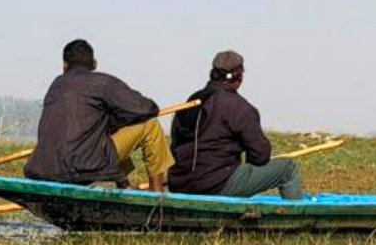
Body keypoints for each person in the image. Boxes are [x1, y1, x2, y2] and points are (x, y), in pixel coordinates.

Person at [25, 39, 171, 190]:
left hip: (41, 169)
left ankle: (125, 187)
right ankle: (157, 196)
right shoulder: (102, 82)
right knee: (150, 125)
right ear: (94, 64)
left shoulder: (56, 85)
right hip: (83, 168)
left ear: (64, 66)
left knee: (108, 127)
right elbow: (146, 109)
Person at [168, 50, 304, 199]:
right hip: (215, 185)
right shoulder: (239, 107)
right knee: (288, 169)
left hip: (179, 184)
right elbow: (261, 155)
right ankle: (296, 214)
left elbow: (174, 147)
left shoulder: (192, 101)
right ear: (239, 77)